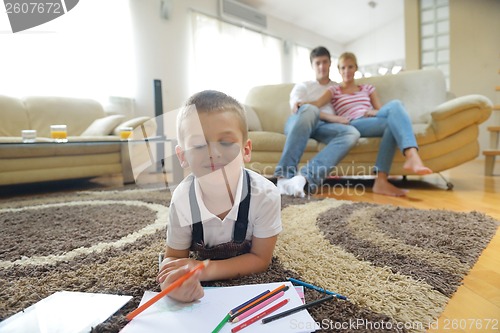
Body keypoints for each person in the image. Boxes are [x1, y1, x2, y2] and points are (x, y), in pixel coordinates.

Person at [157, 90, 282, 302]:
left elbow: (260, 259)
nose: (212, 153)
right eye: (198, 145)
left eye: (225, 142)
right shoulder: (182, 199)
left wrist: (204, 269)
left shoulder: (266, 195)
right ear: (182, 156)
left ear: (246, 150)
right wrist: (171, 283)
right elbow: (173, 259)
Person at [302, 52, 432, 196]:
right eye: (343, 68)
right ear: (339, 70)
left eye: (350, 67)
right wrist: (301, 104)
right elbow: (317, 104)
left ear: (356, 68)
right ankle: (412, 154)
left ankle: (381, 181)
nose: (347, 71)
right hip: (354, 123)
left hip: (372, 118)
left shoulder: (367, 88)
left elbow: (381, 110)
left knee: (393, 117)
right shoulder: (334, 90)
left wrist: (375, 112)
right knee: (396, 105)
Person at [275, 46, 360, 198]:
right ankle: (284, 177)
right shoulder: (303, 86)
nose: (321, 66)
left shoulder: (337, 87)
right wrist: (332, 118)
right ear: (312, 65)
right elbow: (299, 108)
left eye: (325, 62)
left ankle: (304, 178)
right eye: (317, 63)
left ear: (330, 63)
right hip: (300, 123)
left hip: (323, 128)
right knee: (310, 110)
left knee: (352, 133)